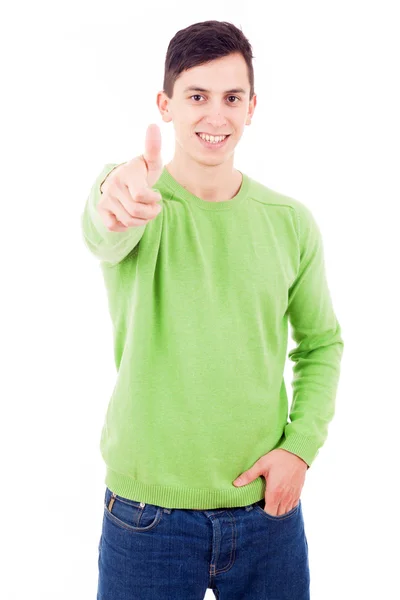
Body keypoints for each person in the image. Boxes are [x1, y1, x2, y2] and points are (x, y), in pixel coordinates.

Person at [81, 19, 344, 600]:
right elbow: (104, 227)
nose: (215, 116)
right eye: (196, 96)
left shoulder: (290, 223)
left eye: (231, 97)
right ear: (165, 105)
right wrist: (112, 197)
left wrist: (299, 448)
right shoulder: (137, 202)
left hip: (266, 517)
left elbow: (321, 343)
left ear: (252, 107)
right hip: (145, 519)